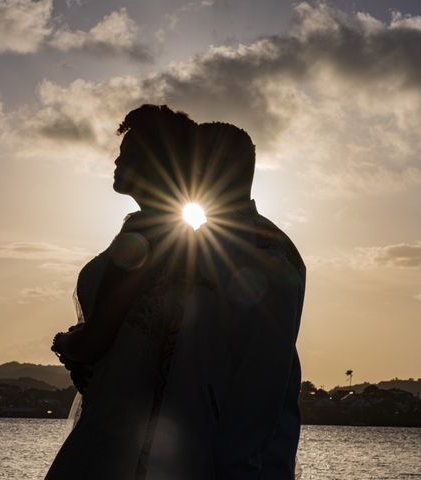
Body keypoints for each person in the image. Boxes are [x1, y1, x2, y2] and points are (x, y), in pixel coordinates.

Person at [46, 105, 305, 479]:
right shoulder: (190, 243)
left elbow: (260, 376)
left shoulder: (241, 250)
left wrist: (67, 344)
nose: (117, 159)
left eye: (129, 151)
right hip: (149, 435)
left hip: (145, 439)